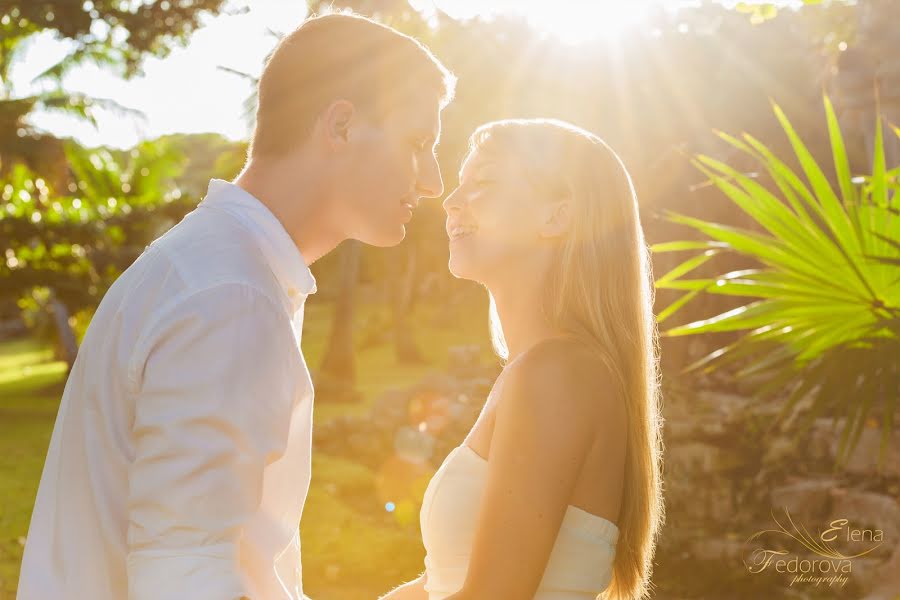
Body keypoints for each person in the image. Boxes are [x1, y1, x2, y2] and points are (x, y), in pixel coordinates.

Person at [16, 12, 455, 600]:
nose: (433, 181)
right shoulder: (231, 293)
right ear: (342, 125)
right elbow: (187, 578)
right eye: (418, 144)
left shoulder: (219, 269)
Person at [380, 119, 664, 600]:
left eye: (483, 184)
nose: (450, 201)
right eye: (461, 183)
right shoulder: (537, 371)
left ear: (556, 217)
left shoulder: (556, 375)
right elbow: (437, 586)